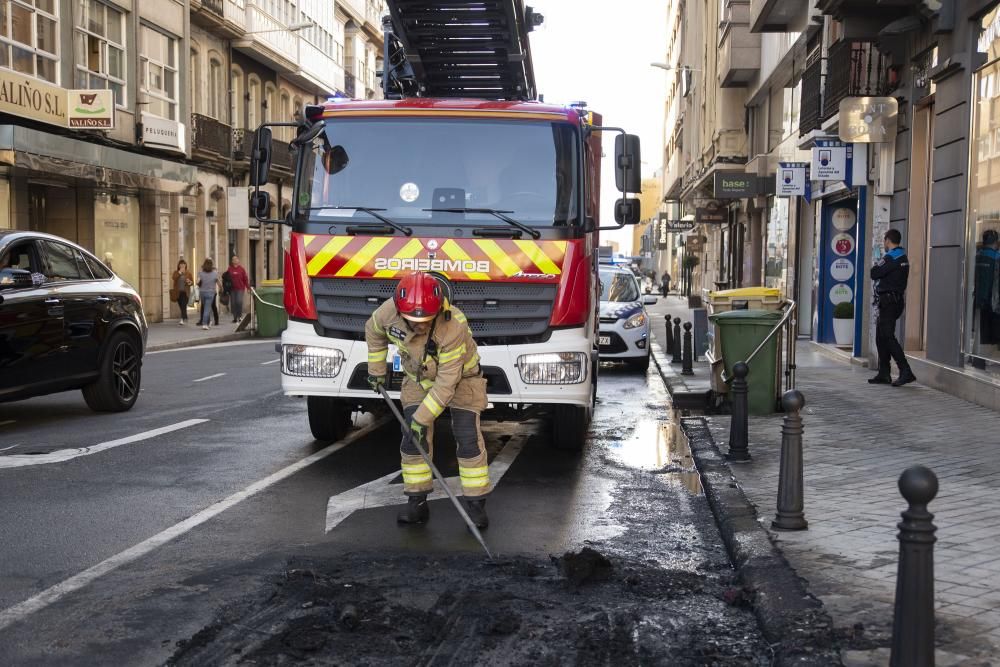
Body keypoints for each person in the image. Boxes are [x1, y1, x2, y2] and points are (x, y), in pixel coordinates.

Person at [365, 271, 491, 528]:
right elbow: (373, 331)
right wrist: (376, 371)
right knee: (412, 439)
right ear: (400, 311)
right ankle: (417, 503)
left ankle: (475, 507)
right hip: (418, 377)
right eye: (413, 321)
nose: (420, 326)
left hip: (463, 380)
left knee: (467, 437)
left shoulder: (454, 325)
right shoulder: (388, 312)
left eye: (425, 321)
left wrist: (422, 419)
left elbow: (446, 384)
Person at [869, 229, 916, 387]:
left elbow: (874, 273)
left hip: (889, 302)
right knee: (881, 336)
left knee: (887, 336)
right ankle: (884, 373)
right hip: (894, 301)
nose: (884, 244)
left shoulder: (891, 257)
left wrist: (878, 262)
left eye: (884, 241)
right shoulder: (903, 256)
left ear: (888, 241)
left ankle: (905, 370)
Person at [974, 229, 1000, 348]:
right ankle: (988, 356)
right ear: (996, 242)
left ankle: (979, 356)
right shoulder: (996, 257)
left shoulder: (977, 255)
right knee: (994, 331)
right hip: (993, 300)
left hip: (979, 298)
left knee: (981, 329)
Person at [197, 258, 221, 331]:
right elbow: (219, 283)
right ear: (211, 265)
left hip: (202, 292)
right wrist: (221, 288)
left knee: (205, 307)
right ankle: (205, 324)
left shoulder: (200, 273)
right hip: (211, 293)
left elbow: (197, 282)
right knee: (207, 309)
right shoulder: (215, 273)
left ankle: (207, 322)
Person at [225, 255, 249, 323]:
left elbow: (245, 279)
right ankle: (235, 317)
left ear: (238, 260)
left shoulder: (241, 269)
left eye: (236, 259)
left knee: (239, 302)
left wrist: (248, 287)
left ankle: (240, 316)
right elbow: (226, 277)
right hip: (232, 289)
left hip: (240, 288)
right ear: (232, 261)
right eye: (233, 259)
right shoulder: (230, 269)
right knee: (233, 303)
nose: (235, 260)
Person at [170, 259, 194, 325]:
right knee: (181, 306)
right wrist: (180, 272)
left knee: (183, 305)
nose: (182, 266)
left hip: (185, 292)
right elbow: (174, 278)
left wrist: (189, 282)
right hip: (178, 293)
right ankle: (185, 317)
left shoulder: (188, 273)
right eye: (181, 264)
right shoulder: (176, 272)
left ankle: (182, 319)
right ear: (179, 265)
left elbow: (192, 283)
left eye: (184, 264)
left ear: (186, 265)